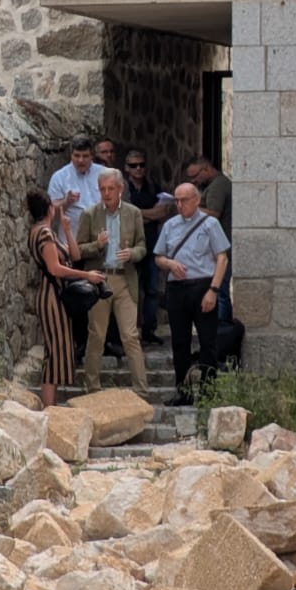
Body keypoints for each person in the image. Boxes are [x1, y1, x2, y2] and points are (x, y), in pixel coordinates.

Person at [153, 182, 231, 405]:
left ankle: (208, 391)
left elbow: (222, 258)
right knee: (180, 342)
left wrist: (213, 290)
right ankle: (183, 390)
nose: (179, 205)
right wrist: (169, 263)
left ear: (196, 200)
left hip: (203, 286)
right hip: (177, 288)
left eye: (184, 200)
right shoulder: (170, 226)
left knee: (208, 341)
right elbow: (158, 257)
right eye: (176, 200)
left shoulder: (210, 224)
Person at [27, 189, 106, 408]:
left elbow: (76, 255)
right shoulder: (43, 233)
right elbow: (55, 269)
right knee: (55, 351)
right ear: (50, 209)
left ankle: (51, 405)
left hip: (56, 296)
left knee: (59, 349)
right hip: (52, 296)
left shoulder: (46, 231)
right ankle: (50, 407)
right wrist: (86, 275)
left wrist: (67, 229)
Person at [73, 170, 149, 395]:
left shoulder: (133, 213)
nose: (106, 193)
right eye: (103, 189)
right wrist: (96, 244)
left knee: (130, 335)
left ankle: (141, 390)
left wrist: (133, 253)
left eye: (111, 189)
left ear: (120, 189)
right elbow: (78, 250)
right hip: (99, 280)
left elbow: (143, 246)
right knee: (96, 334)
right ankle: (92, 387)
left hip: (125, 279)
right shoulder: (90, 214)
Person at [122, 147, 174, 347]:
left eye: (141, 165)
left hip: (152, 245)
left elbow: (161, 213)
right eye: (134, 166)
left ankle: (149, 330)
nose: (138, 169)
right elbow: (125, 214)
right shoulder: (124, 189)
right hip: (131, 247)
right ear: (127, 168)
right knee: (130, 290)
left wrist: (139, 214)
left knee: (151, 290)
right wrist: (147, 214)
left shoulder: (154, 188)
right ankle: (130, 331)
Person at [46, 136, 106, 248]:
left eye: (85, 156)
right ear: (71, 155)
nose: (80, 160)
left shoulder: (104, 174)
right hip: (71, 244)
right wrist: (66, 202)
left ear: (92, 156)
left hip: (98, 243)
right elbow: (51, 212)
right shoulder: (59, 177)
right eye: (77, 156)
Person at [186, 154, 235, 242]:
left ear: (206, 169)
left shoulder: (217, 186)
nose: (193, 181)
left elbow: (214, 214)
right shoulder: (218, 182)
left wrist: (190, 207)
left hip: (222, 242)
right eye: (190, 178)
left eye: (195, 176)